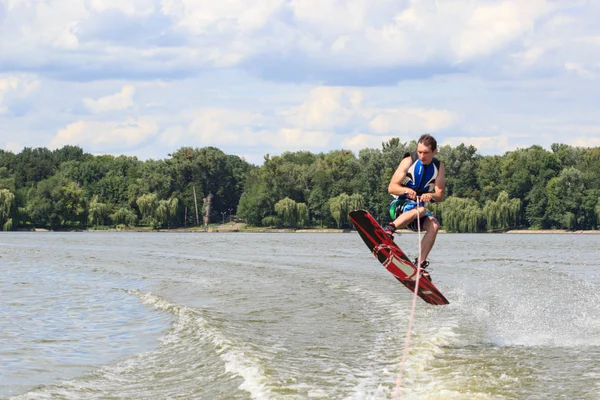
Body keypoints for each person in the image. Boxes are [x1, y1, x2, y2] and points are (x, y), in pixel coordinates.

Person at [383, 134, 445, 281]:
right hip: (398, 207)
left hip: (416, 213)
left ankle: (420, 264)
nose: (422, 156)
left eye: (426, 153)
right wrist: (405, 190)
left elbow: (440, 195)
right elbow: (391, 187)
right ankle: (389, 230)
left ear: (435, 152)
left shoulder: (439, 167)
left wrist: (431, 196)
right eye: (420, 152)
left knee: (435, 225)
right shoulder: (409, 161)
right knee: (422, 209)